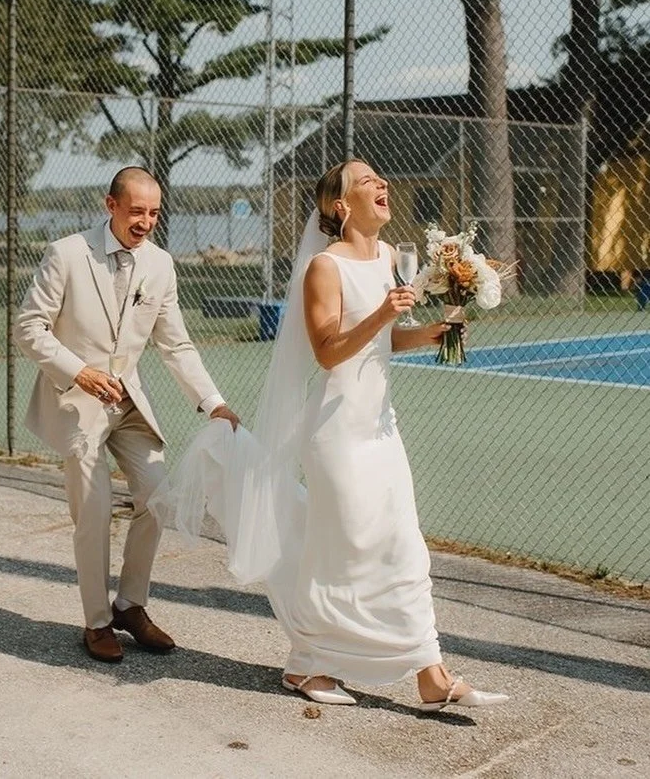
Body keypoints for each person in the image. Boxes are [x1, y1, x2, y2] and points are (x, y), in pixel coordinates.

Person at [153, 159, 508, 712]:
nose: (383, 184)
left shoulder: (390, 257)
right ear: (342, 206)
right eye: (369, 181)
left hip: (381, 427)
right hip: (337, 433)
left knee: (405, 546)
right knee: (343, 553)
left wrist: (432, 332)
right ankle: (307, 664)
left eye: (381, 178)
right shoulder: (324, 267)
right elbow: (329, 351)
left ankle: (430, 676)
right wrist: (382, 315)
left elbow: (384, 343)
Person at [14, 166, 240, 663]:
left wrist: (213, 402)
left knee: (157, 496)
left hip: (129, 403)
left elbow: (175, 344)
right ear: (110, 205)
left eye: (155, 213)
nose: (146, 222)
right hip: (75, 402)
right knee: (92, 513)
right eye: (137, 210)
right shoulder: (66, 254)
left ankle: (130, 606)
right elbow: (29, 327)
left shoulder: (160, 265)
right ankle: (96, 623)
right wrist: (79, 372)